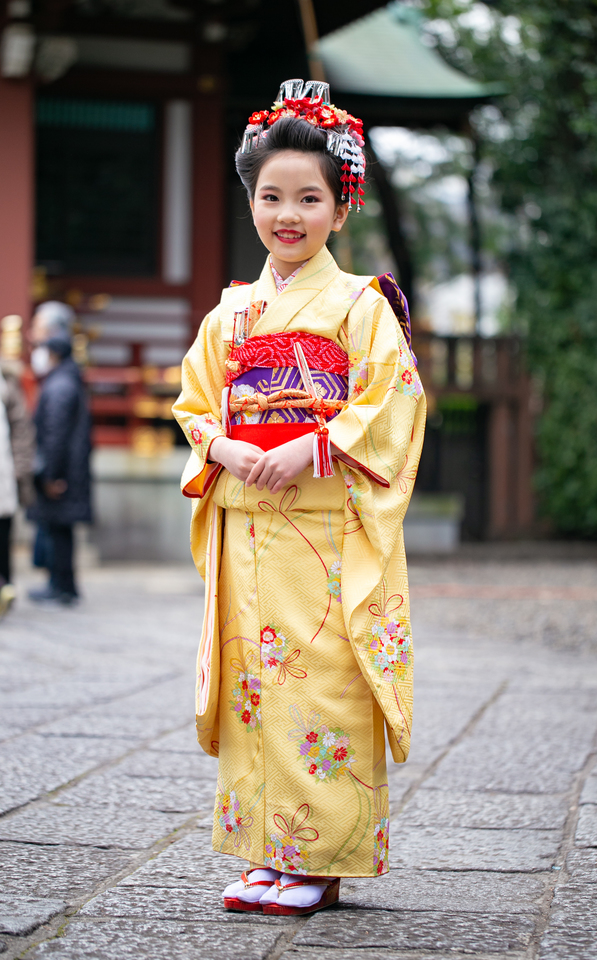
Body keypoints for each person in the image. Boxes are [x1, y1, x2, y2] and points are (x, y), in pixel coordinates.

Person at [173, 79, 426, 916]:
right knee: (255, 687)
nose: (288, 214)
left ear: (339, 208)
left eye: (309, 198)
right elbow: (195, 402)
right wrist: (226, 444)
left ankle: (319, 857)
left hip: (322, 527)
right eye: (271, 195)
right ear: (251, 199)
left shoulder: (360, 304)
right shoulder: (232, 314)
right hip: (247, 529)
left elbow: (393, 402)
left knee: (321, 683)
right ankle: (269, 849)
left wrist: (311, 445)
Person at [27, 302, 92, 605]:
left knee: (58, 531)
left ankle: (61, 586)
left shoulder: (59, 385)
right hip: (71, 470)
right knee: (59, 530)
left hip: (62, 472)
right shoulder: (66, 379)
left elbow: (55, 435)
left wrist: (51, 475)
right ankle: (61, 584)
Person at [0, 346, 36, 617]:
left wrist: (20, 468)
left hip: (4, 473)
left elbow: (21, 429)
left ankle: (6, 587)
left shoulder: (7, 384)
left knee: (3, 535)